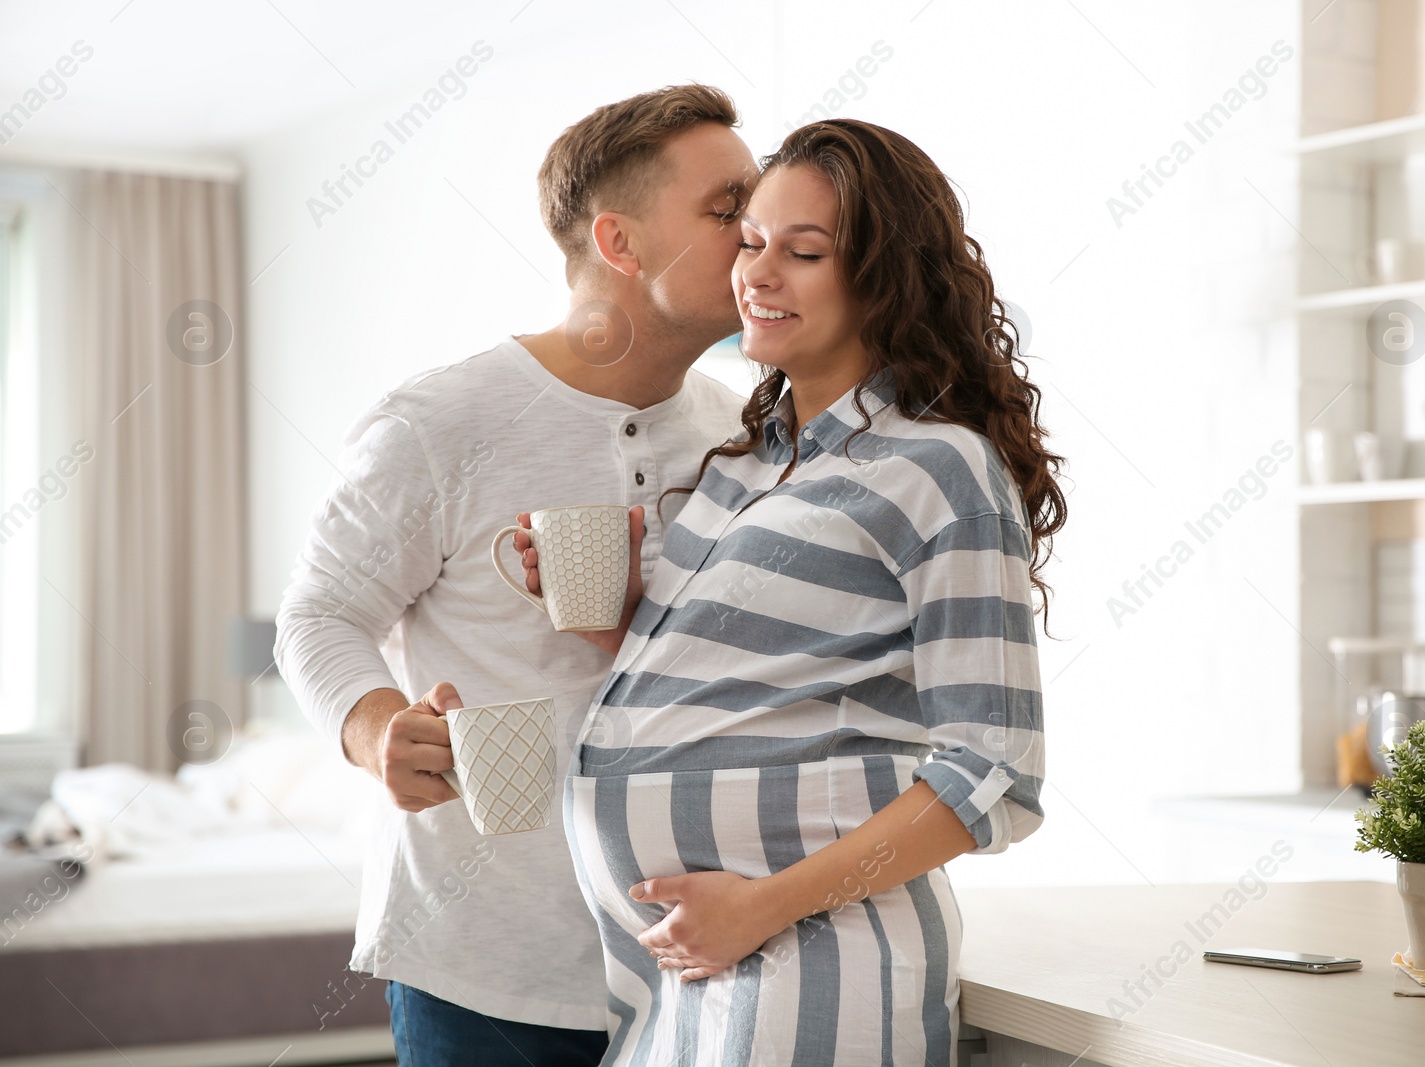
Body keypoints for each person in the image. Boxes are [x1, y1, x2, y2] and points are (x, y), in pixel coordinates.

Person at [519, 119, 1065, 1066]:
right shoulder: (739, 470)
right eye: (752, 244)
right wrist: (623, 630)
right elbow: (744, 696)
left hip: (816, 964)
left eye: (804, 252)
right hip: (676, 970)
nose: (759, 275)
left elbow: (994, 768)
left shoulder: (940, 469)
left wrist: (761, 906)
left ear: (883, 278)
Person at [274, 84, 756, 1067]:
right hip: (485, 970)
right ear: (619, 243)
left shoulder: (745, 434)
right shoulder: (443, 423)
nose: (758, 235)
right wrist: (376, 732)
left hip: (698, 961)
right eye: (725, 209)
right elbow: (319, 612)